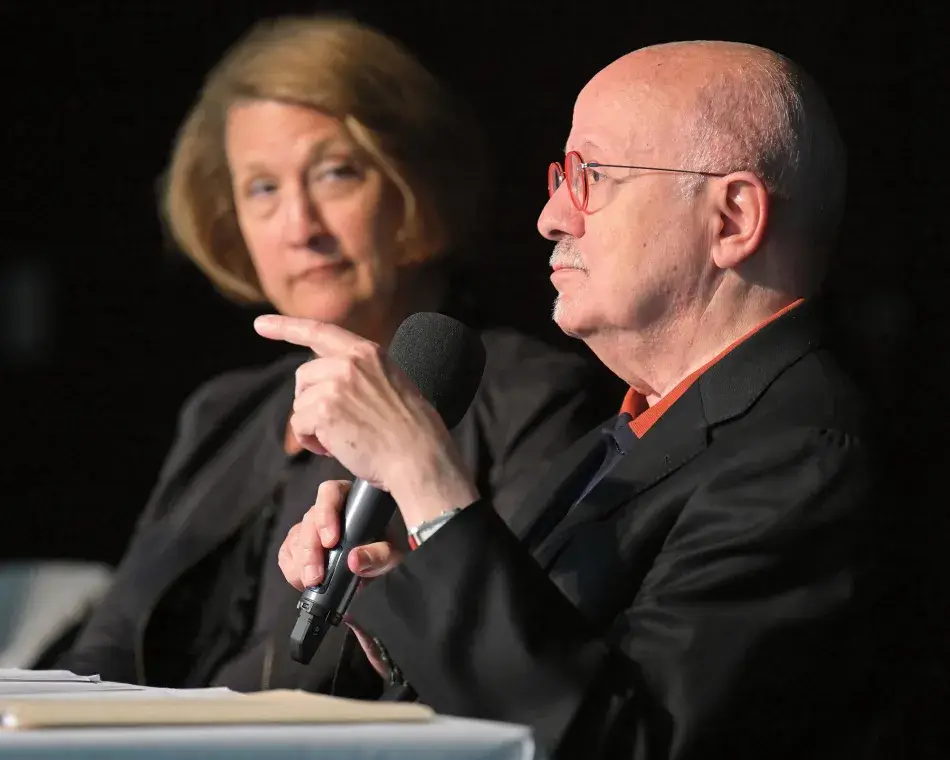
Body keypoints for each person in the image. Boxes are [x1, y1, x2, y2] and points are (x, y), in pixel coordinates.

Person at [269, 40, 898, 759]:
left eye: (590, 175)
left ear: (731, 218)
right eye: (560, 177)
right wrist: (401, 587)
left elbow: (624, 743)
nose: (551, 216)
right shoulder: (631, 432)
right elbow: (542, 671)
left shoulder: (805, 457)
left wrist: (424, 474)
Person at [58, 15, 618, 696]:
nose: (300, 228)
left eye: (334, 174)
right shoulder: (222, 412)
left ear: (414, 185)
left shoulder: (533, 393)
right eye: (262, 189)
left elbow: (533, 656)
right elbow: (109, 642)